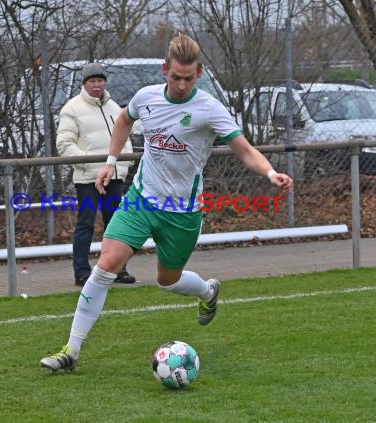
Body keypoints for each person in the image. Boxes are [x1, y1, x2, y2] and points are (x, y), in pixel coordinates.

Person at [40, 33, 293, 372]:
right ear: (165, 70)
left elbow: (244, 149)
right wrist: (111, 161)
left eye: (189, 78)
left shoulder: (208, 108)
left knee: (168, 281)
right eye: (176, 77)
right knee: (105, 266)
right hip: (141, 200)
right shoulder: (146, 98)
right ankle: (70, 352)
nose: (182, 84)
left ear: (199, 73)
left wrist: (270, 172)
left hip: (183, 213)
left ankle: (207, 292)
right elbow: (123, 121)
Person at [56, 62, 136, 287]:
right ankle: (82, 272)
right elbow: (64, 144)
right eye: (92, 81)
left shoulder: (115, 108)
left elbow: (126, 139)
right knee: (86, 223)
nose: (97, 85)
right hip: (88, 179)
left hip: (114, 177)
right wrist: (93, 169)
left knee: (116, 224)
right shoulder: (72, 108)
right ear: (85, 84)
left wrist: (121, 165)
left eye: (100, 80)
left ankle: (118, 269)